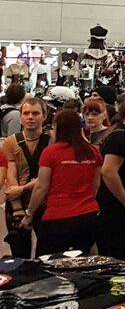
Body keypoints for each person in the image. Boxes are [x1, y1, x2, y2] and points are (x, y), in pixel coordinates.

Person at [20, 108, 100, 256]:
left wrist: (29, 213)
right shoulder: (93, 151)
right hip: (88, 215)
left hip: (57, 217)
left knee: (47, 261)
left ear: (57, 127)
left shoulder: (51, 152)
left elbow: (41, 187)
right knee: (81, 261)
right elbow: (95, 186)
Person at [92, 99, 125, 265]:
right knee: (115, 259)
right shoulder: (121, 137)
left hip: (121, 210)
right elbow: (108, 171)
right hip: (115, 211)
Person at [0, 96, 50, 258]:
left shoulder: (51, 141)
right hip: (18, 201)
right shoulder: (10, 142)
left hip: (44, 202)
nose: (30, 117)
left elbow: (49, 176)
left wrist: (23, 188)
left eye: (35, 113)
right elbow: (10, 174)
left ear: (44, 116)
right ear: (20, 116)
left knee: (46, 252)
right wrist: (17, 208)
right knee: (19, 254)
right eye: (26, 113)